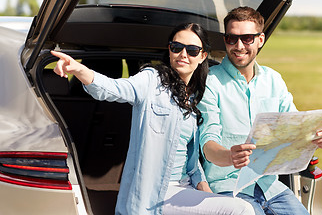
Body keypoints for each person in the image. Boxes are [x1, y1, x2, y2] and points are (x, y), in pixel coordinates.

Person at [51, 23, 254, 215]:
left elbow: (189, 158)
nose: (183, 54)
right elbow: (114, 89)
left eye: (192, 50)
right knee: (241, 210)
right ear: (169, 49)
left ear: (202, 56)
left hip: (186, 188)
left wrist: (203, 185)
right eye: (177, 47)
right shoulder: (152, 80)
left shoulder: (193, 97)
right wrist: (78, 69)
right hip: (158, 194)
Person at [197, 7, 322, 215]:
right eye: (231, 38)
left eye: (247, 38)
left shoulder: (273, 80)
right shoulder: (210, 82)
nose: (239, 46)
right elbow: (207, 142)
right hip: (228, 190)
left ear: (260, 39)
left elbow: (296, 128)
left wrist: (318, 137)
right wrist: (229, 156)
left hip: (272, 188)